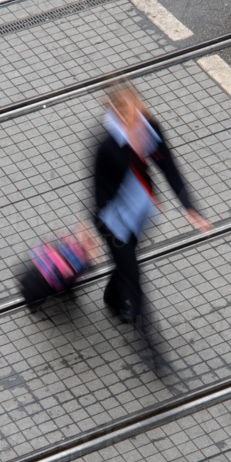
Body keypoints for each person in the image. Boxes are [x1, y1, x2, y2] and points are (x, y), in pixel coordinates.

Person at [93, 83, 212, 339]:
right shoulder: (108, 146)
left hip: (139, 214)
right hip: (114, 222)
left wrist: (189, 206)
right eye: (126, 110)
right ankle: (150, 346)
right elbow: (100, 194)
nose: (134, 114)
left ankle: (112, 296)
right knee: (134, 280)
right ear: (115, 110)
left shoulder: (150, 129)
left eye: (135, 107)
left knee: (126, 266)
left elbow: (169, 167)